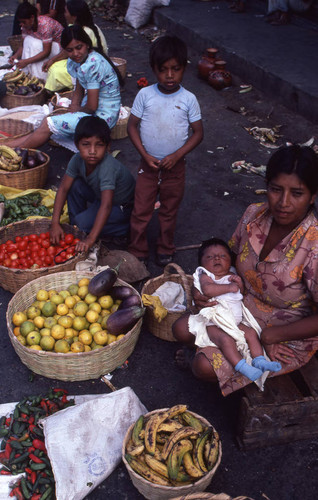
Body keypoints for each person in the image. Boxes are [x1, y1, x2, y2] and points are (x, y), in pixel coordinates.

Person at [173, 144, 318, 396]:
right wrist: (207, 290)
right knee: (179, 329)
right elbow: (229, 261)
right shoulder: (253, 215)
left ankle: (204, 356)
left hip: (282, 331)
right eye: (275, 190)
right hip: (236, 309)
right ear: (266, 186)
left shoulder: (314, 244)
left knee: (203, 367)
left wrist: (272, 337)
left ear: (313, 196)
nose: (283, 202)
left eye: (297, 193)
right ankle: (207, 348)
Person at [127, 35, 203, 267]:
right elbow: (131, 126)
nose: (169, 75)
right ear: (154, 69)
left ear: (184, 69)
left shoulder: (189, 99)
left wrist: (177, 155)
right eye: (163, 70)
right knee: (141, 210)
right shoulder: (145, 95)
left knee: (169, 211)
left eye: (175, 69)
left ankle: (165, 247)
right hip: (148, 166)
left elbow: (198, 133)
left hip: (175, 168)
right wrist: (144, 155)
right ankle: (138, 248)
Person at [176, 238, 282, 383]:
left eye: (222, 256)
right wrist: (229, 287)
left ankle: (259, 360)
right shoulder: (206, 276)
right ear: (201, 264)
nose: (217, 258)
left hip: (235, 321)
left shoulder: (232, 274)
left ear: (230, 261)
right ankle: (242, 366)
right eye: (210, 257)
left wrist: (240, 285)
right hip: (215, 323)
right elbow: (207, 290)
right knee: (225, 340)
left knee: (251, 333)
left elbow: (239, 295)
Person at [4, 25, 121, 153]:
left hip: (103, 117)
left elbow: (92, 107)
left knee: (48, 124)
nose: (75, 53)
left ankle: (15, 151)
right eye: (70, 50)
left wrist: (78, 109)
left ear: (87, 44)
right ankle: (6, 146)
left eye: (79, 47)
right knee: (46, 123)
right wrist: (74, 106)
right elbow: (79, 86)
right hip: (94, 109)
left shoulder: (92, 64)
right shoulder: (79, 60)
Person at [50, 116, 135, 252]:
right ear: (77, 145)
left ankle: (124, 229)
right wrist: (54, 223)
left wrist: (90, 238)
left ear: (108, 146)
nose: (92, 151)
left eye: (99, 145)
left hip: (121, 207)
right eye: (86, 144)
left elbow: (106, 205)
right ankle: (77, 228)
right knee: (74, 184)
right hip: (101, 198)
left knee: (83, 223)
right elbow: (63, 189)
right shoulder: (77, 159)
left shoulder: (107, 167)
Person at [43, 0, 108, 94]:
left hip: (92, 66)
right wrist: (53, 60)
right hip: (83, 60)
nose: (64, 14)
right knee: (55, 66)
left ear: (74, 16)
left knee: (55, 71)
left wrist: (53, 60)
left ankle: (56, 92)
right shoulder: (75, 26)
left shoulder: (86, 31)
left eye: (66, 11)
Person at [9, 1, 63, 81]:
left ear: (32, 18)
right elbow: (23, 45)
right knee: (28, 40)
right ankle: (28, 73)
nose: (22, 25)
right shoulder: (25, 26)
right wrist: (15, 56)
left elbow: (46, 52)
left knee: (35, 44)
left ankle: (40, 77)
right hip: (43, 45)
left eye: (24, 22)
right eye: (20, 22)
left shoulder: (45, 25)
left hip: (59, 50)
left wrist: (27, 61)